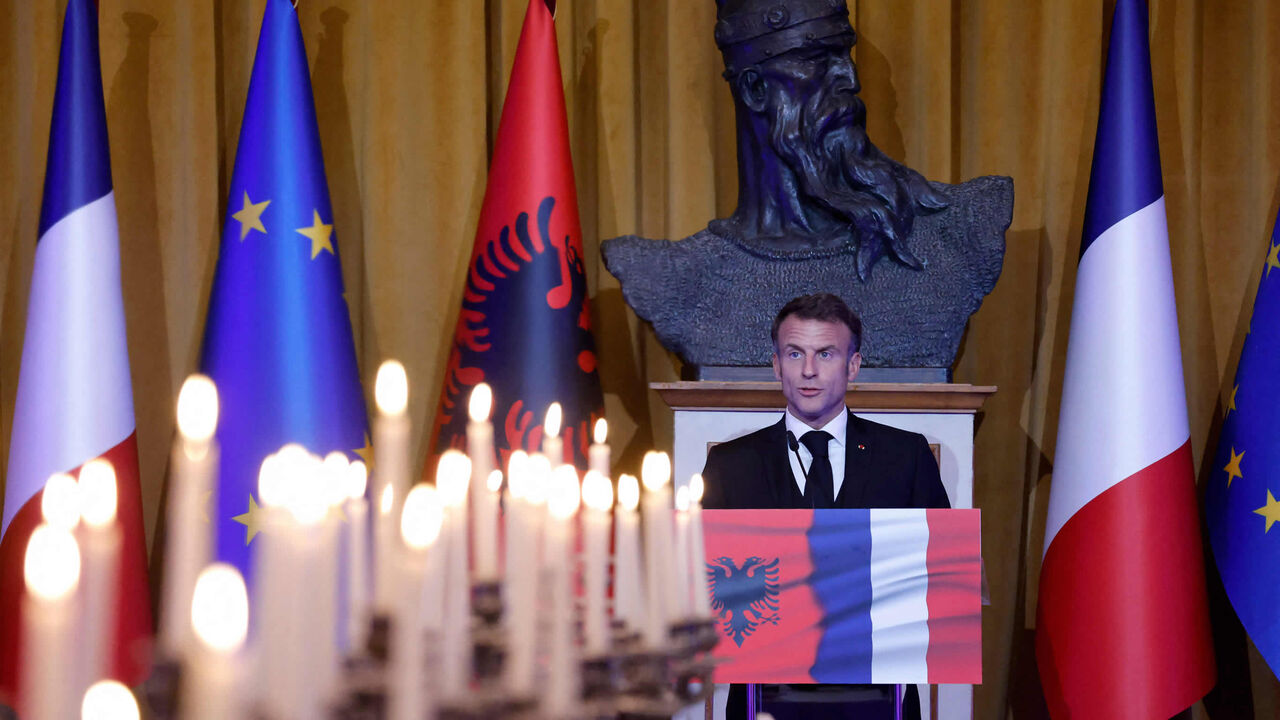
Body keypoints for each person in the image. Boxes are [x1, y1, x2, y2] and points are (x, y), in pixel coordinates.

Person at [701, 292, 949, 719]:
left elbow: (942, 575)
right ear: (777, 364)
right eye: (795, 353)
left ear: (853, 365)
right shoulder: (730, 464)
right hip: (763, 701)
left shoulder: (905, 456)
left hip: (878, 701)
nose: (809, 370)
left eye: (826, 353)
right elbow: (705, 587)